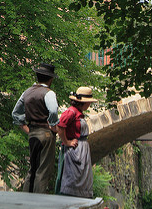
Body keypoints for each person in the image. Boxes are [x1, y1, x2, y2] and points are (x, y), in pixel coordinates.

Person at [12, 63, 60, 193]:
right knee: (43, 171)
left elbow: (15, 113)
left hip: (32, 133)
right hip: (45, 133)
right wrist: (53, 125)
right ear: (50, 79)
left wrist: (24, 127)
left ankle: (26, 197)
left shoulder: (27, 92)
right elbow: (53, 110)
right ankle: (39, 201)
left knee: (32, 169)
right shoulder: (48, 93)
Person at [55, 87, 98, 198]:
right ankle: (69, 197)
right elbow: (60, 127)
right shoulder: (71, 112)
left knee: (81, 176)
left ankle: (81, 197)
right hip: (74, 150)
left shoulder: (78, 113)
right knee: (72, 176)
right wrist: (67, 142)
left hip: (82, 150)